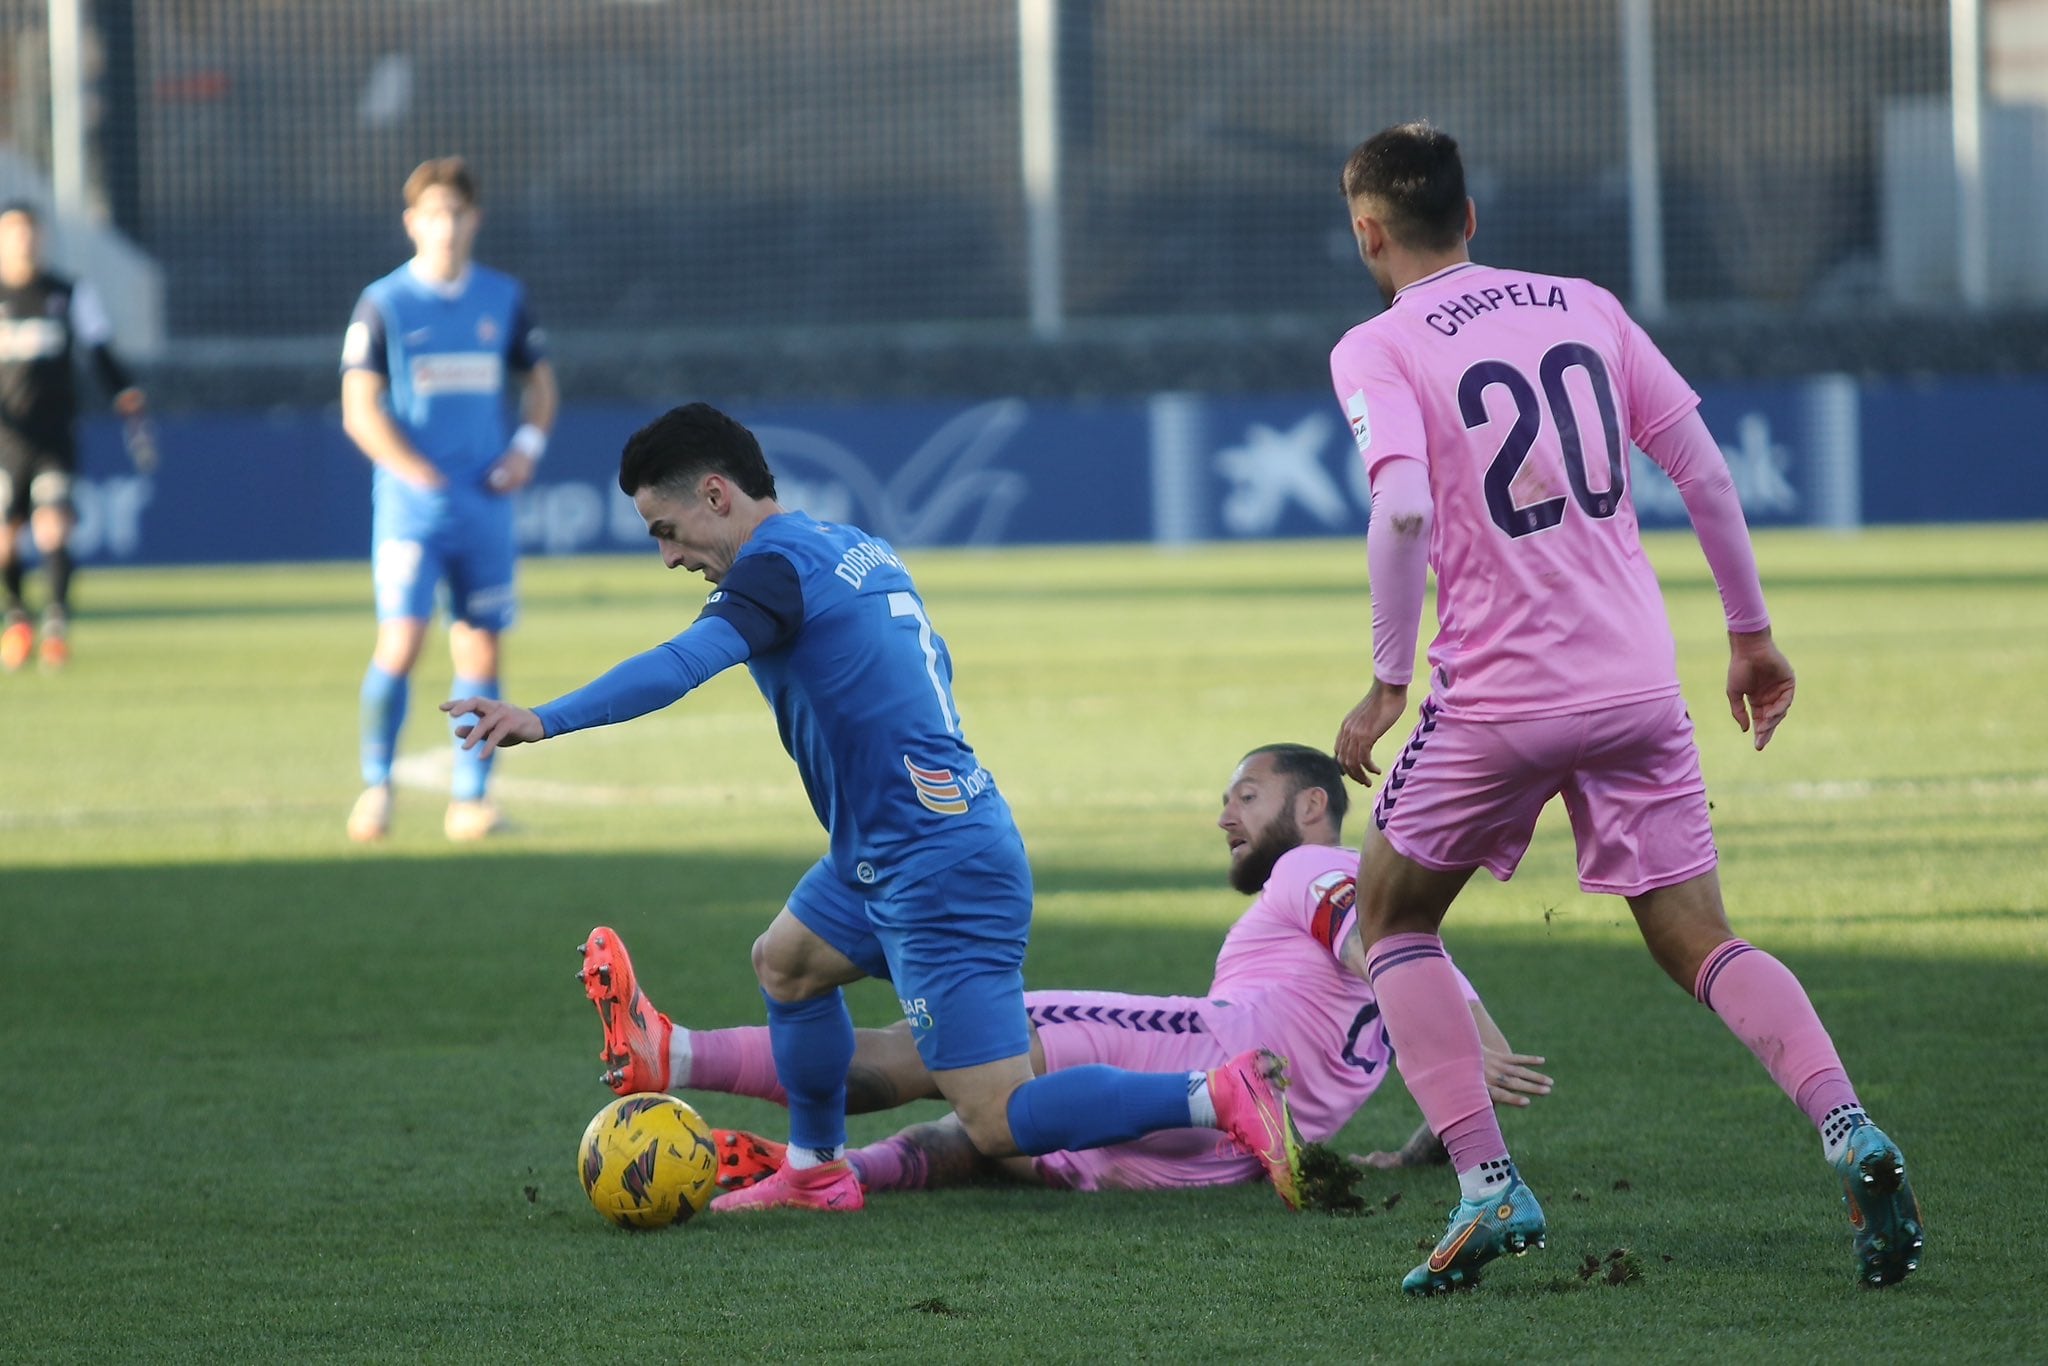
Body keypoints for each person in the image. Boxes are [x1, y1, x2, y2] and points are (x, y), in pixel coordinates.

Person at [444, 402, 1307, 1214]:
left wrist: (542, 718)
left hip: (938, 864)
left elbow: (681, 665)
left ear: (717, 495)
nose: (668, 557)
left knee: (998, 1117)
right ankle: (816, 1172)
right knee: (786, 963)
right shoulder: (852, 545)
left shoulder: (773, 573)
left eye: (666, 531)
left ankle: (1217, 1093)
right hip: (893, 846)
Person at [1324, 123, 1922, 1294]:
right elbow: (1700, 468)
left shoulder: (1376, 344)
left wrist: (1390, 677)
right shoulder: (1583, 304)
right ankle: (1846, 1126)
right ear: (1472, 216)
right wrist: (1747, 634)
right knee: (1698, 935)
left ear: (1367, 232)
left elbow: (1399, 512)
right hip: (1638, 683)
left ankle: (1487, 1185)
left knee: (1387, 920)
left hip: (1499, 694)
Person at [588, 743, 1550, 1201]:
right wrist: (1440, 1139)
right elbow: (1436, 995)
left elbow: (1368, 947)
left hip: (1208, 1053)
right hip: (1214, 1161)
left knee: (944, 1051)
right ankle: (842, 1172)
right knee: (994, 1135)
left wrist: (1456, 1053)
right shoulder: (1420, 953)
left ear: (1309, 808)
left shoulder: (1318, 866)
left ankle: (674, 1055)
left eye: (1245, 796)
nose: (1226, 816)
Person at [340, 157, 557, 843]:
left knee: (482, 653)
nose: (446, 225)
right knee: (401, 643)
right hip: (412, 509)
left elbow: (542, 384)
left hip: (485, 508)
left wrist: (524, 450)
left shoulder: (503, 297)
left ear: (475, 220)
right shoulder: (384, 303)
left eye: (457, 213)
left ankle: (472, 801)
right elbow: (358, 407)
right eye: (433, 213)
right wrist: (416, 472)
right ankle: (376, 786)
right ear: (412, 223)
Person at [0, 201, 149, 673]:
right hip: (5, 440)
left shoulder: (66, 293)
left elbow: (99, 348)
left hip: (53, 435)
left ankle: (57, 626)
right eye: (13, 233)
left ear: (41, 237)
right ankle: (19, 618)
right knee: (5, 540)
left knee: (53, 527)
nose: (23, 241)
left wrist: (123, 390)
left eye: (29, 232)